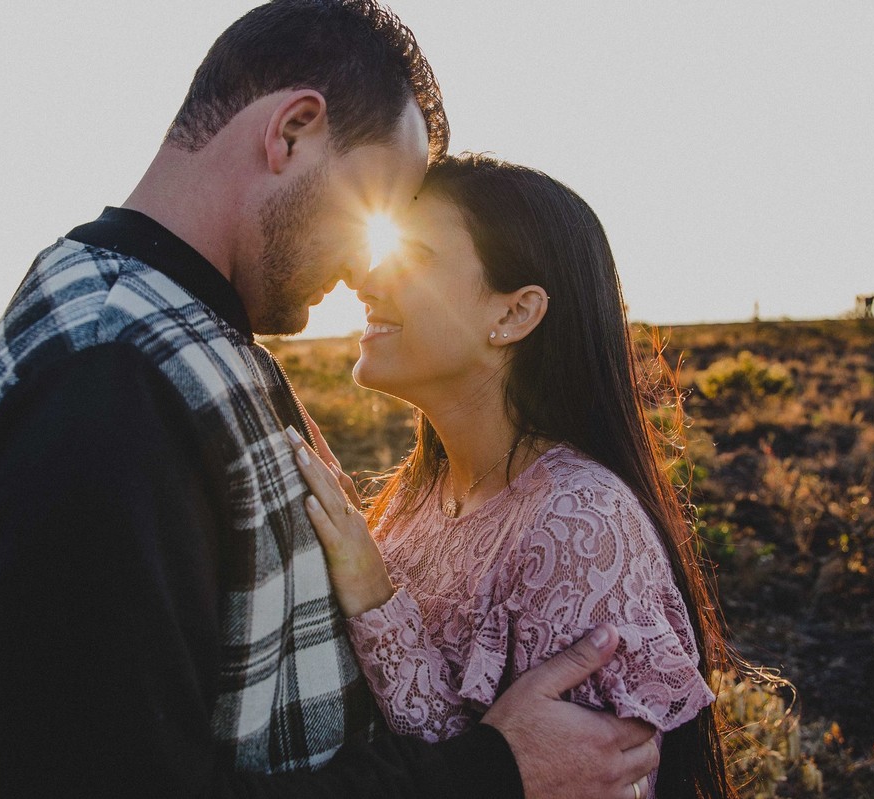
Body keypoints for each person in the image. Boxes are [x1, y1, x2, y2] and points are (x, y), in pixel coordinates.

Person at [0, 3, 658, 798]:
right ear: (293, 131)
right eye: (373, 201)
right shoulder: (105, 384)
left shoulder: (172, 342)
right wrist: (488, 772)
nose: (363, 267)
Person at [290, 154, 733, 798]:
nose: (368, 279)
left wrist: (371, 595)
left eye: (414, 257)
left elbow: (567, 780)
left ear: (515, 314)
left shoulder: (580, 523)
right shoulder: (420, 492)